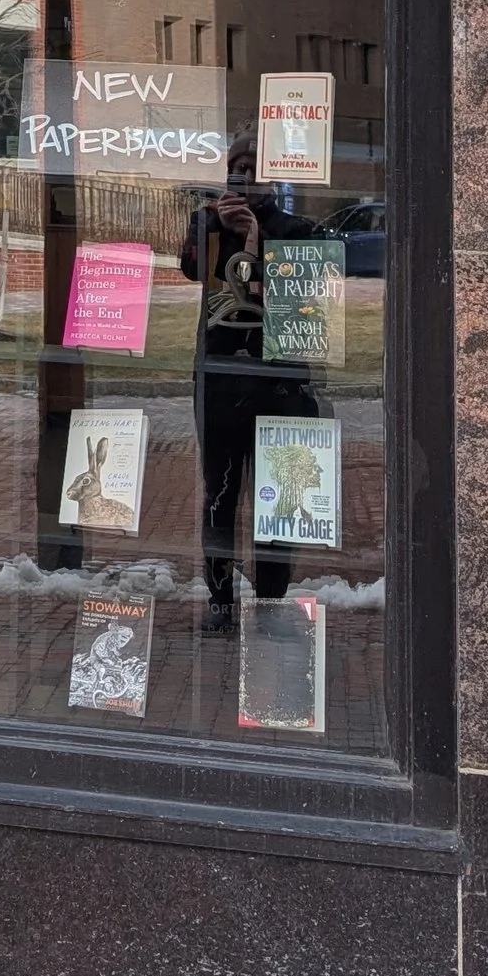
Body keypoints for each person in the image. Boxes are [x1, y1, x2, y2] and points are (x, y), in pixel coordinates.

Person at [178, 138, 320, 627]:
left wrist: (256, 240)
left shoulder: (296, 230)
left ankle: (271, 601)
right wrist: (217, 226)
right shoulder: (208, 224)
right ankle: (220, 601)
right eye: (236, 167)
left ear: (273, 174)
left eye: (254, 167)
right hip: (220, 379)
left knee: (279, 497)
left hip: (279, 380)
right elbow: (192, 267)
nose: (244, 176)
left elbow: (301, 300)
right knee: (219, 493)